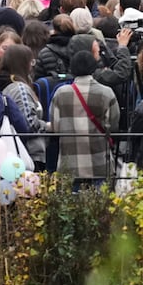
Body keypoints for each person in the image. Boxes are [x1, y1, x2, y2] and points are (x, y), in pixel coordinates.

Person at [51, 47, 120, 185]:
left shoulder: (61, 93)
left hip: (69, 166)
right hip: (100, 163)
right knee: (101, 204)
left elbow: (55, 128)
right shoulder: (106, 93)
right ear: (94, 67)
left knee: (71, 205)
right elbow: (113, 126)